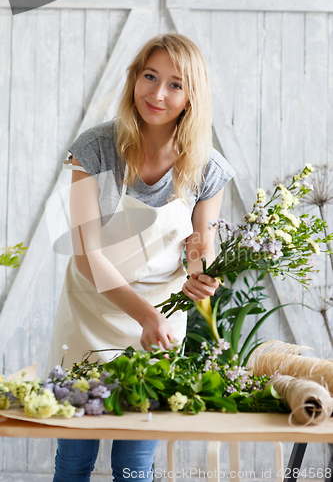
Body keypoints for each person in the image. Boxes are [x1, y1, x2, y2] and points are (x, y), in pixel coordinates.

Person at [47, 33, 235, 482]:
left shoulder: (207, 168)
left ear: (192, 97)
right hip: (92, 311)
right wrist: (146, 314)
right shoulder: (94, 149)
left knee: (135, 465)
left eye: (175, 84)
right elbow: (86, 252)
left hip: (160, 325)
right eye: (149, 77)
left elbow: (198, 242)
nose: (157, 94)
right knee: (74, 460)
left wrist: (199, 274)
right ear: (135, 79)